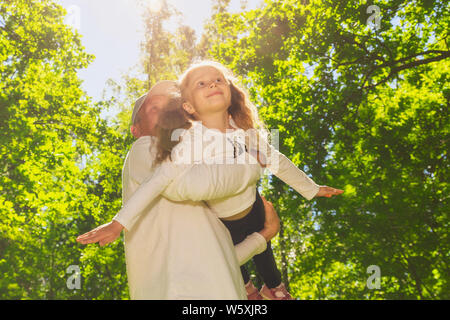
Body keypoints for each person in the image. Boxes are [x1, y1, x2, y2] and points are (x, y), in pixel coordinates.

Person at [77, 80, 281, 300]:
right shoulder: (146, 146)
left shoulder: (192, 186)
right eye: (155, 109)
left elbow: (216, 260)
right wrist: (248, 167)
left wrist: (262, 237)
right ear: (135, 130)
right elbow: (188, 186)